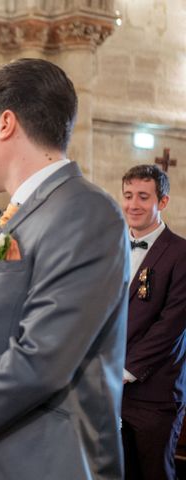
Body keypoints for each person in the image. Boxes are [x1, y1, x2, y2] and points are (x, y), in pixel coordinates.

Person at [0, 58, 129, 479]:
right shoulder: (12, 217)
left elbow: (43, 357)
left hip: (50, 460)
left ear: (7, 123)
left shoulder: (86, 212)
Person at [120, 164, 186, 480]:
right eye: (129, 195)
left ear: (162, 202)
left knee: (155, 475)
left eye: (143, 197)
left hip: (155, 393)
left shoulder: (180, 253)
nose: (133, 204)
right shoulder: (113, 248)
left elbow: (171, 324)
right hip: (109, 389)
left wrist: (125, 370)